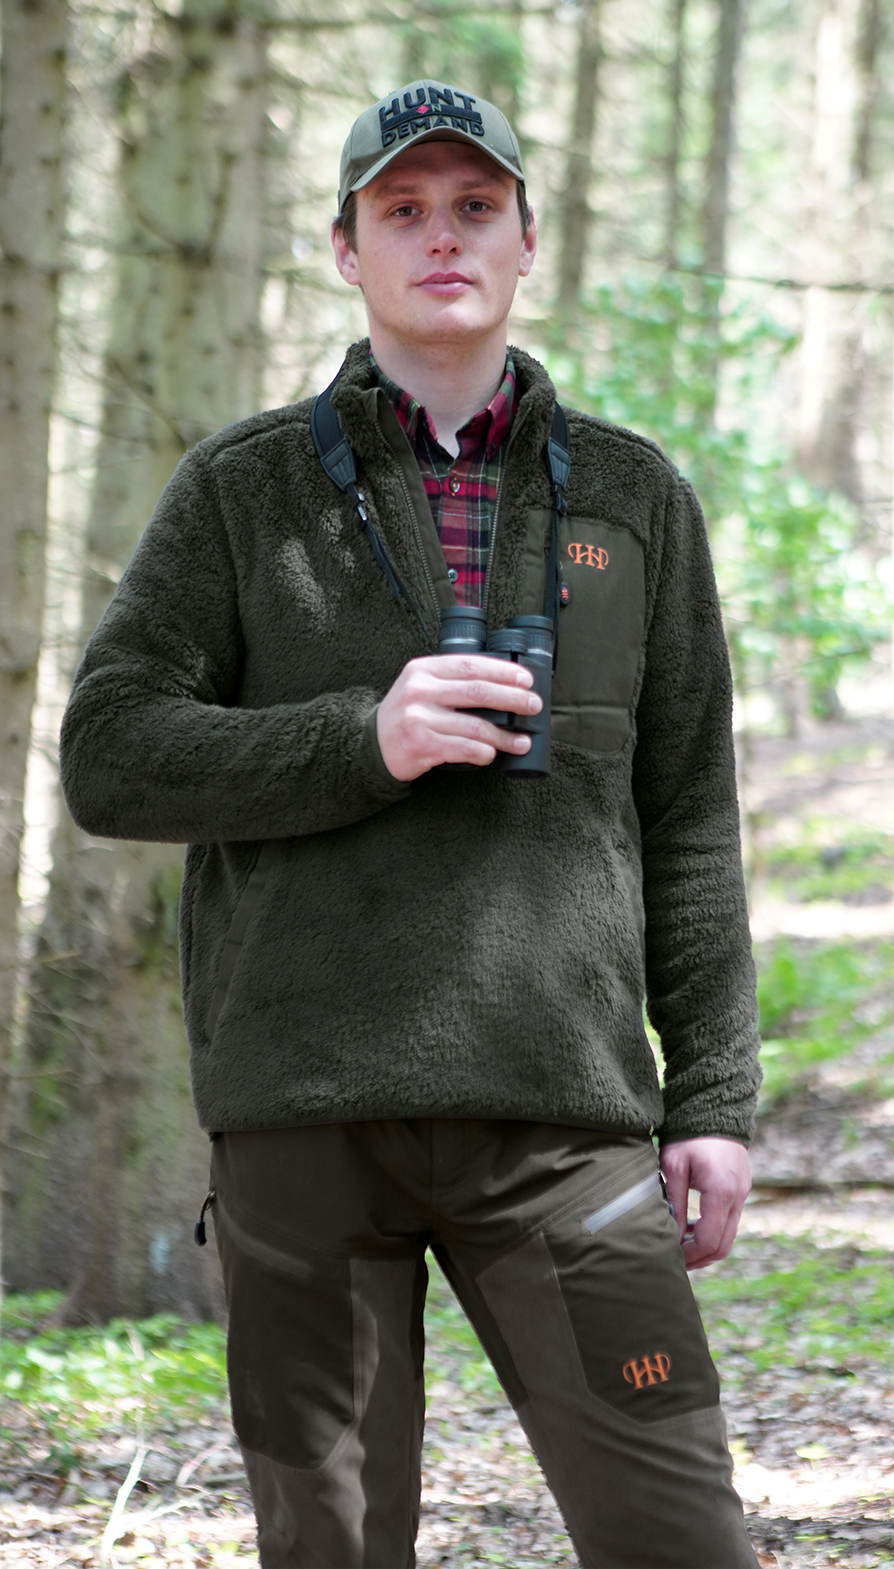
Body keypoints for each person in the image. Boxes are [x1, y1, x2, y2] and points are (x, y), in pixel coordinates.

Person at [60, 78, 762, 1569]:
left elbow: (691, 813)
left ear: (526, 241)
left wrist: (713, 1096)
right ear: (347, 249)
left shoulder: (635, 497)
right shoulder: (242, 491)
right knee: (333, 1548)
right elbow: (109, 757)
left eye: (475, 206)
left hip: (565, 1121)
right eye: (403, 210)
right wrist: (359, 740)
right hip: (304, 1117)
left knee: (679, 1535)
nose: (443, 236)